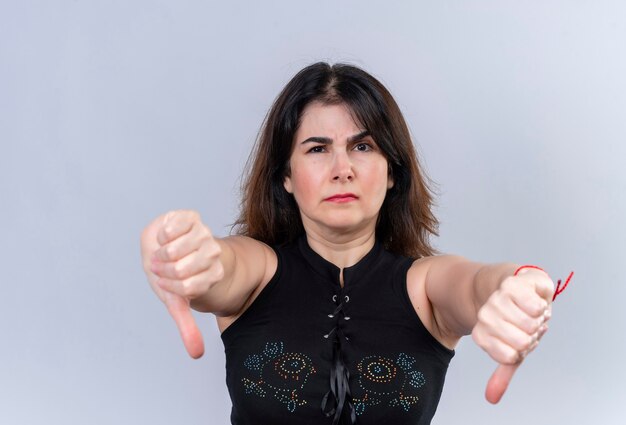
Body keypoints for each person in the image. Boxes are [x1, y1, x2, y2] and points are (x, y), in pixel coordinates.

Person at [140, 62, 555, 425]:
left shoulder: (424, 285)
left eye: (362, 146)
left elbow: (475, 284)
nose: (342, 169)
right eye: (318, 148)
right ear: (285, 176)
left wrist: (515, 285)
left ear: (392, 170)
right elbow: (221, 266)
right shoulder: (257, 271)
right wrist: (179, 252)